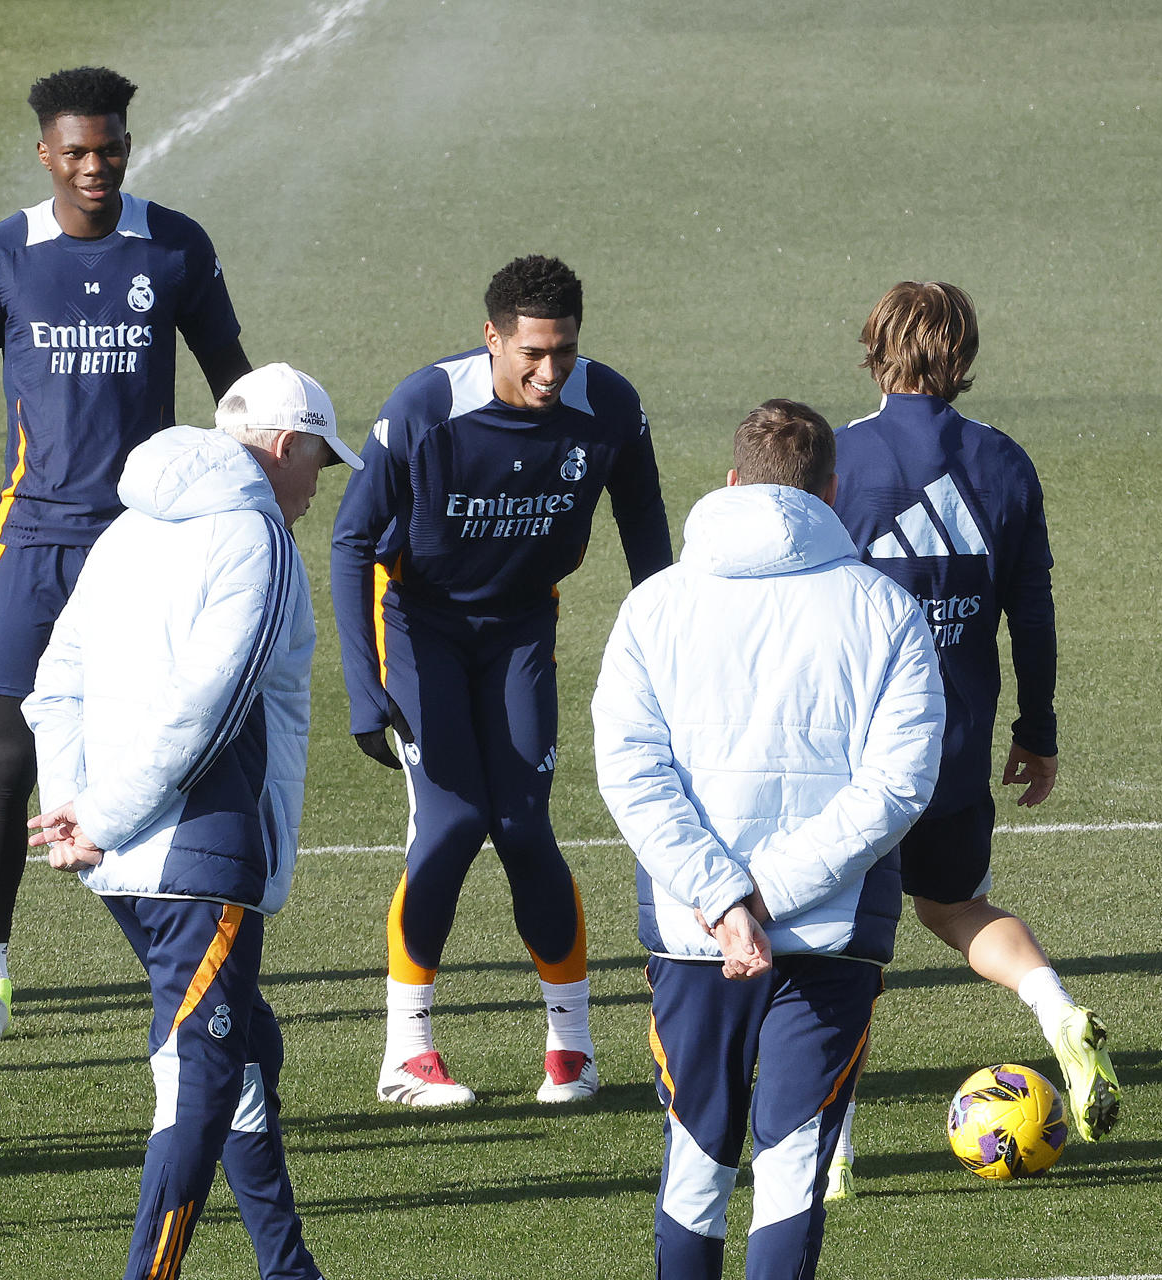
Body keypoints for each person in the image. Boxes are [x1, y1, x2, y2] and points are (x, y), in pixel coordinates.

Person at [0, 64, 251, 1043]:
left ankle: (175, 958)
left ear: (127, 146)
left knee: (170, 749)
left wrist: (255, 503)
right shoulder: (3, 256)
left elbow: (235, 387)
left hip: (149, 546)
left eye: (109, 148)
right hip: (34, 548)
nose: (94, 166)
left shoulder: (176, 245)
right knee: (8, 758)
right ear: (45, 154)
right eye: (76, 152)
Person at [593, 399, 945, 1280]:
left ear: (731, 483)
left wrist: (722, 901)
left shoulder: (653, 608)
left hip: (692, 936)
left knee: (696, 1162)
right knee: (791, 1173)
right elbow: (896, 787)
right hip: (829, 937)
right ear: (831, 490)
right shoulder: (886, 611)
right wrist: (767, 897)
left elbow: (632, 775)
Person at [22, 363, 352, 1280]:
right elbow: (210, 706)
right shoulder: (257, 539)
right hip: (194, 854)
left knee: (247, 1046)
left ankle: (290, 1270)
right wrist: (99, 817)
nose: (318, 490)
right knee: (200, 1082)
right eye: (319, 466)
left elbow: (55, 683)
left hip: (126, 858)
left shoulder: (129, 529)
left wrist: (74, 814)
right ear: (285, 449)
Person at [330, 255, 671, 1107]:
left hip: (522, 624)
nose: (550, 372)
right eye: (531, 352)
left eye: (563, 351)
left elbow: (649, 545)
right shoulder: (425, 409)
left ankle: (573, 1050)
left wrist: (674, 657)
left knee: (522, 824)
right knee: (453, 821)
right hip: (418, 621)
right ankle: (406, 1053)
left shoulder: (612, 409)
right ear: (492, 338)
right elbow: (349, 541)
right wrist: (364, 688)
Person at [826, 281, 1120, 1198]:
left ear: (875, 350)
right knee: (954, 909)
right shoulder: (1003, 463)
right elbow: (1030, 613)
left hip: (855, 755)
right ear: (964, 356)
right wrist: (1038, 729)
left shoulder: (835, 459)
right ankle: (1055, 1007)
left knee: (840, 951)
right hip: (952, 747)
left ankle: (827, 1152)